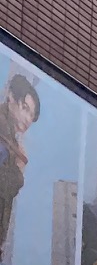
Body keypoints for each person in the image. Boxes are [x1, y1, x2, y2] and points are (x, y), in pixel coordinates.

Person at [0, 71, 41, 252]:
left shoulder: (11, 141)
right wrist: (19, 171)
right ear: (10, 97)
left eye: (31, 116)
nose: (27, 120)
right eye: (25, 108)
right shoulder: (3, 134)